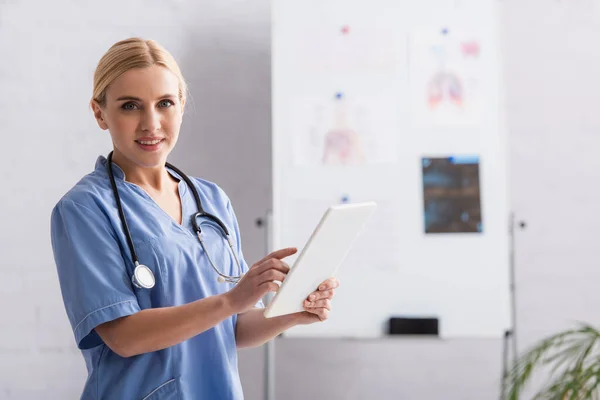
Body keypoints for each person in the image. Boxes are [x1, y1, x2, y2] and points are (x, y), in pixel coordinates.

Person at [50, 37, 339, 400]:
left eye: (165, 103)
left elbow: (230, 327)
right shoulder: (85, 209)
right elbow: (123, 336)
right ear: (99, 113)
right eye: (130, 106)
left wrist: (293, 312)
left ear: (182, 105)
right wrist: (232, 300)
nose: (150, 123)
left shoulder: (211, 199)